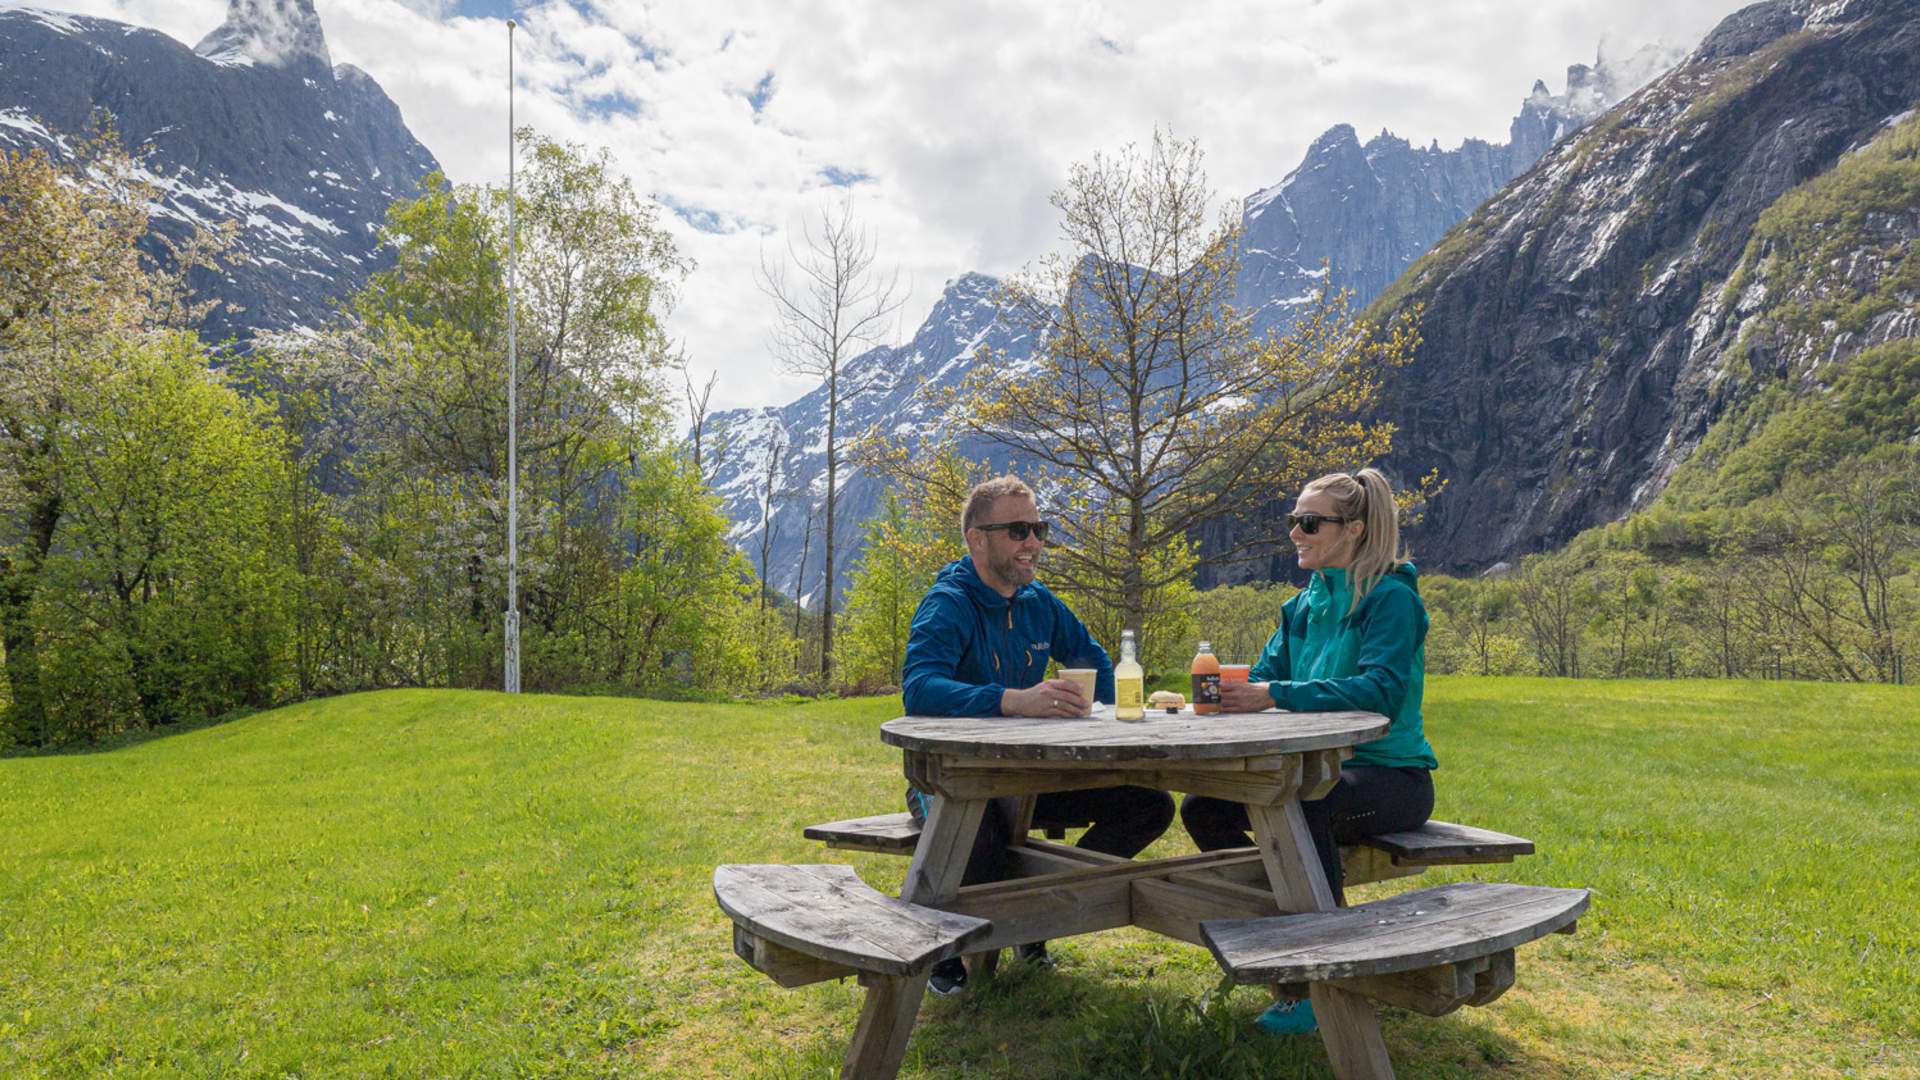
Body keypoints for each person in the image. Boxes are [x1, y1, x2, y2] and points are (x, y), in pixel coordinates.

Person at [1182, 467, 1437, 1035]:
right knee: (1204, 808)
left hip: (1390, 777)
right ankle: (1281, 928)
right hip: (1314, 775)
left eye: (1309, 522)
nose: (1295, 532)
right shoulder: (1301, 606)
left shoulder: (1390, 600)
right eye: (1293, 520)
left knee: (1302, 805)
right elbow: (1269, 676)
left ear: (1354, 529)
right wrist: (1226, 690)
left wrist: (1272, 693)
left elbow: (1381, 693)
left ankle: (1313, 985)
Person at [901, 475, 1175, 996]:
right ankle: (945, 955)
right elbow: (920, 689)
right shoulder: (949, 602)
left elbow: (1093, 661)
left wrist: (1131, 699)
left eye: (1039, 529)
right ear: (977, 539)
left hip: (1031, 777)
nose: (1033, 543)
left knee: (1150, 806)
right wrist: (1011, 700)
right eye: (1019, 530)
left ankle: (1040, 919)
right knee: (978, 843)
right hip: (952, 781)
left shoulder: (1040, 602)